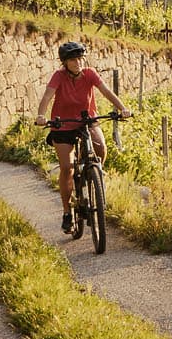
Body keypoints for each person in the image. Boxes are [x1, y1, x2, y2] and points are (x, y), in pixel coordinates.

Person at [37, 40, 125, 232]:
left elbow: (106, 91)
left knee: (101, 148)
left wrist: (123, 108)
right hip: (63, 124)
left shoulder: (90, 73)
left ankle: (92, 174)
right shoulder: (59, 76)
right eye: (73, 60)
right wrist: (41, 116)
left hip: (87, 120)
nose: (78, 63)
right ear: (65, 63)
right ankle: (67, 211)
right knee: (67, 168)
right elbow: (47, 96)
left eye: (80, 58)